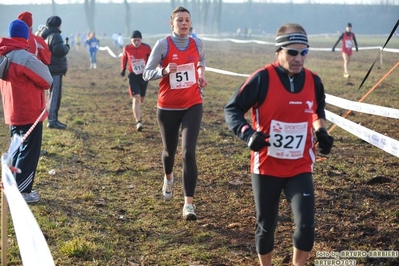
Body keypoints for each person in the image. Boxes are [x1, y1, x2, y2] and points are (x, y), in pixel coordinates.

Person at [224, 23, 334, 266]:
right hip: (266, 166)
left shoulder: (314, 81)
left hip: (300, 166)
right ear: (279, 51)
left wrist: (322, 132)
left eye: (304, 52)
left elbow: (317, 110)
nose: (299, 58)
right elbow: (232, 110)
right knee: (266, 225)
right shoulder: (262, 78)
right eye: (292, 52)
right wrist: (248, 134)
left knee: (306, 224)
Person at [143, 6, 208, 221]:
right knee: (169, 152)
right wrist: (164, 71)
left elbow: (201, 62)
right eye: (179, 20)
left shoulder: (197, 43)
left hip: (193, 103)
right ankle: (168, 179)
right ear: (172, 24)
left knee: (188, 153)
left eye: (187, 19)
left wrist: (200, 75)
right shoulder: (163, 44)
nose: (184, 23)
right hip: (168, 107)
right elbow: (146, 73)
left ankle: (189, 204)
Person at [0, 19, 53, 203]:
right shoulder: (25, 57)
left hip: (12, 112)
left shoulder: (3, 54)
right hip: (29, 112)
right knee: (29, 152)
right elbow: (47, 79)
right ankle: (22, 193)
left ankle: (13, 186)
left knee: (17, 150)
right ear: (25, 35)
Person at [38, 15, 70, 129]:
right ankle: (52, 120)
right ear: (58, 24)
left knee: (51, 95)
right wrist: (67, 47)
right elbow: (60, 51)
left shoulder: (46, 35)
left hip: (50, 68)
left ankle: (52, 118)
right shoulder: (55, 36)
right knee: (55, 95)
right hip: (55, 69)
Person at [120, 30, 151, 131]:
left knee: (141, 98)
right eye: (134, 40)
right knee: (136, 97)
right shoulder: (127, 48)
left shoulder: (146, 48)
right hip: (133, 76)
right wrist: (123, 69)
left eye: (138, 40)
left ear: (141, 40)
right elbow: (124, 58)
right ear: (131, 40)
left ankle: (141, 99)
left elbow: (152, 59)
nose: (136, 42)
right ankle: (138, 121)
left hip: (144, 76)